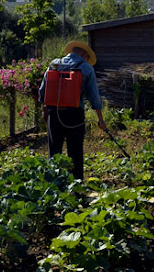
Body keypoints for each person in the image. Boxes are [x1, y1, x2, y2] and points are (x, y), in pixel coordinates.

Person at [38, 41, 107, 179]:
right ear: (84, 55)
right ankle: (76, 185)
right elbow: (94, 96)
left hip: (54, 112)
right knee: (75, 151)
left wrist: (45, 111)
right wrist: (100, 119)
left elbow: (43, 90)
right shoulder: (87, 68)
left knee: (54, 150)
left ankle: (53, 184)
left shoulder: (54, 64)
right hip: (74, 115)